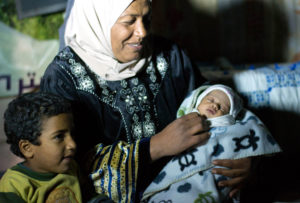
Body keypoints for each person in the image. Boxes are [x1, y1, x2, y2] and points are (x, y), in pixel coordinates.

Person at [40, 0, 253, 202]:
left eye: (147, 19)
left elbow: (219, 110)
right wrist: (154, 147)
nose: (142, 33)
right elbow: (64, 167)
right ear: (98, 18)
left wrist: (240, 154)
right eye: (129, 21)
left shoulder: (170, 56)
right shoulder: (62, 78)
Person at [142, 84, 282, 202]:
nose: (214, 105)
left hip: (213, 179)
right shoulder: (184, 122)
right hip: (175, 180)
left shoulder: (232, 130)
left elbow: (245, 143)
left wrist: (250, 160)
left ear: (229, 117)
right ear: (196, 102)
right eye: (210, 99)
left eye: (222, 108)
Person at [0, 92, 82, 203]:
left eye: (72, 134)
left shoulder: (72, 167)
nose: (72, 144)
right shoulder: (13, 185)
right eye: (59, 136)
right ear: (27, 148)